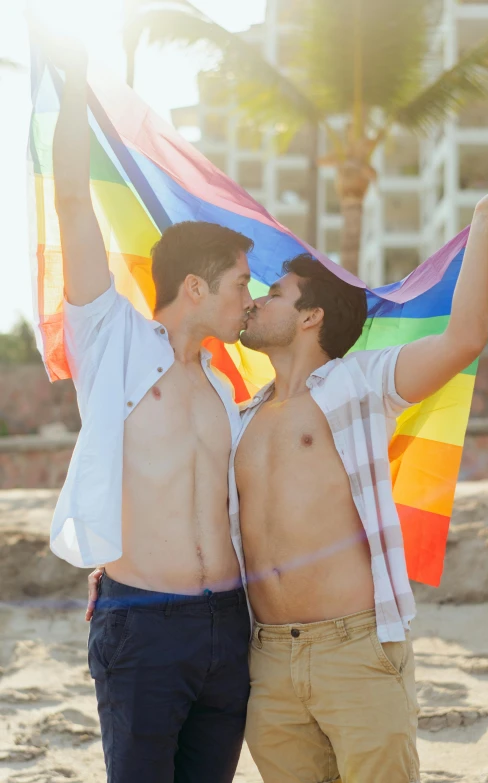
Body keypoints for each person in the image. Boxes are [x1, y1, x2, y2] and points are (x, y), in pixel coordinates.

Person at [228, 177, 488, 783]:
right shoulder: (238, 418)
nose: (257, 301)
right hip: (267, 660)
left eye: (274, 292)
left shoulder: (360, 383)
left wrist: (484, 218)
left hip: (355, 651)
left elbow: (464, 339)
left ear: (310, 315)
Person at [52, 47, 254, 783]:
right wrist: (71, 83)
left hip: (229, 627)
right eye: (239, 282)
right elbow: (73, 199)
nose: (248, 298)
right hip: (142, 625)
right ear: (196, 287)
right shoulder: (113, 342)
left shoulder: (226, 390)